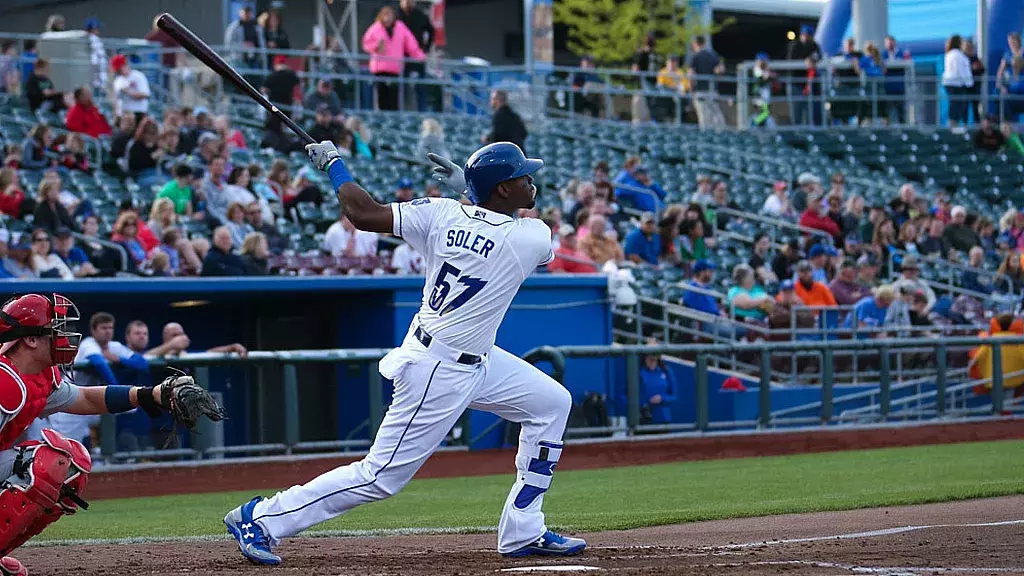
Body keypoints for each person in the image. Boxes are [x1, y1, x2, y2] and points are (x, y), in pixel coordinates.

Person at [224, 140, 587, 565]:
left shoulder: (440, 212)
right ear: (502, 190)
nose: (531, 181)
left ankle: (524, 528)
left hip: (474, 356)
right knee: (380, 476)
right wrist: (470, 190)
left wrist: (336, 166)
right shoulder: (530, 237)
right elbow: (504, 228)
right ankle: (262, 517)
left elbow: (363, 213)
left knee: (552, 404)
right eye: (521, 176)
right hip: (438, 368)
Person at [0, 294, 221, 576]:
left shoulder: (38, 375)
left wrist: (150, 395)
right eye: (55, 331)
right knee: (44, 464)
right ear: (30, 340)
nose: (64, 337)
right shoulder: (5, 382)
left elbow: (86, 398)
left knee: (68, 464)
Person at [361, 6, 425, 111]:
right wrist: (376, 46)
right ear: (381, 16)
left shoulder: (400, 27)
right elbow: (366, 44)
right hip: (380, 68)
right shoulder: (375, 28)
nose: (388, 17)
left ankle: (393, 120)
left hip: (394, 68)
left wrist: (420, 56)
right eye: (385, 14)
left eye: (390, 14)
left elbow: (411, 44)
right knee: (381, 97)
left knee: (394, 97)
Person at [639, 346, 677, 425]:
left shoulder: (666, 371)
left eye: (654, 359)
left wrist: (662, 398)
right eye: (649, 359)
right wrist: (643, 404)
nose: (652, 362)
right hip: (642, 418)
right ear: (645, 358)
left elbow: (674, 396)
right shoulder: (639, 372)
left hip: (662, 418)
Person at [943, 35, 973, 127]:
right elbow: (961, 70)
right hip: (956, 83)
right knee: (958, 105)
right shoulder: (959, 55)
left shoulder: (948, 54)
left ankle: (952, 123)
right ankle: (954, 124)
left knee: (954, 104)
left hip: (948, 82)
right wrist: (969, 83)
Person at [110, 55, 150, 123]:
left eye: (119, 68)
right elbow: (116, 101)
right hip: (123, 114)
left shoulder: (138, 76)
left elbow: (145, 94)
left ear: (125, 65)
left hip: (138, 113)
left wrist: (128, 92)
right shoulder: (118, 80)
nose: (118, 71)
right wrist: (115, 116)